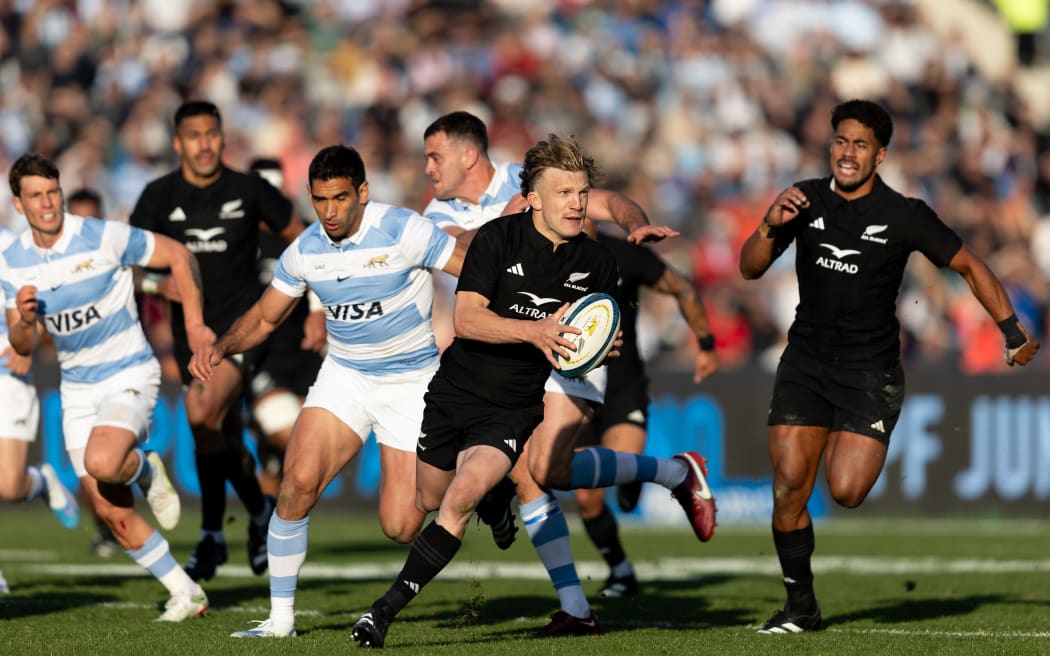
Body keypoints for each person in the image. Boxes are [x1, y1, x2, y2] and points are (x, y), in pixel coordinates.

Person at [350, 134, 713, 648]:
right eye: (565, 193)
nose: (578, 203)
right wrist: (537, 330)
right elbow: (469, 320)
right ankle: (669, 474)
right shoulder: (484, 233)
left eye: (581, 193)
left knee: (516, 477)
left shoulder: (593, 252)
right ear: (532, 198)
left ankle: (386, 613)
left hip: (531, 387)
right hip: (461, 388)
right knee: (427, 501)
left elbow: (600, 316)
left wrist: (600, 340)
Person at [739, 99, 1040, 634]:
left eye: (859, 145)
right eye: (840, 141)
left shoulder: (905, 214)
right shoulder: (802, 199)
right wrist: (768, 224)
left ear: (880, 155)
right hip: (805, 363)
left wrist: (1012, 329)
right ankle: (801, 607)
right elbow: (750, 268)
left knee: (847, 492)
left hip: (869, 372)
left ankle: (855, 437)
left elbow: (969, 265)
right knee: (788, 487)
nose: (847, 153)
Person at [188, 145, 465, 639]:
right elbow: (266, 317)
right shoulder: (305, 250)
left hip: (411, 385)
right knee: (296, 483)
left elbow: (473, 268)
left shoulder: (404, 229)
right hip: (346, 377)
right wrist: (222, 345)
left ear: (362, 191)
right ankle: (280, 621)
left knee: (401, 526)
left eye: (340, 198)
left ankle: (482, 478)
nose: (331, 212)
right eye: (320, 200)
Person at [0, 152, 212, 621]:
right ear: (19, 204)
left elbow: (177, 255)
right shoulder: (12, 262)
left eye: (52, 192)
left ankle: (146, 471)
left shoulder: (102, 236)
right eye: (36, 196)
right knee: (109, 511)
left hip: (129, 371)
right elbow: (22, 342)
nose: (48, 203)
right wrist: (25, 319)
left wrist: (195, 327)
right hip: (77, 388)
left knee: (103, 461)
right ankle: (186, 591)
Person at [129, 100, 304, 582]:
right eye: (193, 135)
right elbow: (129, 264)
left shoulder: (248, 190)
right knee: (219, 435)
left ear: (222, 139)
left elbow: (303, 238)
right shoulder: (158, 196)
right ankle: (256, 513)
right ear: (177, 143)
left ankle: (210, 533)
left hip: (243, 332)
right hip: (192, 337)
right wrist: (154, 286)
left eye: (211, 134)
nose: (203, 144)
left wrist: (313, 305)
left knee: (202, 413)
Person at [573, 220, 720, 599]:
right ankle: (621, 570)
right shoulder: (546, 251)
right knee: (587, 498)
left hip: (623, 386)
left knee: (621, 472)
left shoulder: (624, 252)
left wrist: (704, 342)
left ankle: (643, 476)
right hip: (573, 391)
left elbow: (679, 286)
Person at [0, 225, 82, 569]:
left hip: (8, 369)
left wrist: (28, 340)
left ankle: (42, 480)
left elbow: (48, 297)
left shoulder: (10, 246)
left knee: (9, 486)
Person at [244, 158, 325, 497]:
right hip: (261, 357)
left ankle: (268, 529)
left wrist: (318, 311)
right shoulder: (239, 240)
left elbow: (325, 274)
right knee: (292, 441)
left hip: (305, 350)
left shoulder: (304, 231)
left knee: (302, 449)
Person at [65, 187, 120, 558]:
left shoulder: (118, 257)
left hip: (121, 375)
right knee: (89, 471)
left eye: (93, 219)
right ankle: (106, 528)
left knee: (113, 462)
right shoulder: (55, 267)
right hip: (77, 379)